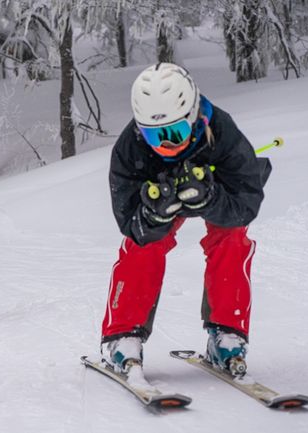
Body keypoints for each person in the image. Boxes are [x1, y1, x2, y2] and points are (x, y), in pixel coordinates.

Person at [100, 63, 271, 377]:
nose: (166, 145)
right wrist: (153, 215)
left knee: (232, 238)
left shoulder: (221, 131)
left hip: (214, 191)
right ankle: (122, 337)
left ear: (193, 116)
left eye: (175, 132)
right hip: (160, 201)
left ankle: (227, 335)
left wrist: (211, 198)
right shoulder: (130, 147)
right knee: (142, 247)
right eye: (154, 135)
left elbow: (247, 201)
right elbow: (129, 223)